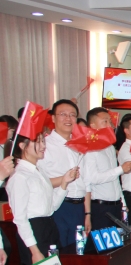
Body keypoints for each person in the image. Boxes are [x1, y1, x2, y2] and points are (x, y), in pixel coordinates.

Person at [7, 133, 78, 265]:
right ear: (22, 146)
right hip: (34, 232)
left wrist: (64, 182)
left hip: (49, 227)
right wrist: (34, 251)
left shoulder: (39, 172)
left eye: (43, 141)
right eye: (38, 142)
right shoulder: (19, 176)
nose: (43, 146)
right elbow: (20, 219)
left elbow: (52, 207)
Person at [37, 99, 90, 247]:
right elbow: (40, 182)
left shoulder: (79, 145)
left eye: (72, 115)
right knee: (60, 251)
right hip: (58, 207)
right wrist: (65, 179)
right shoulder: (44, 146)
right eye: (63, 114)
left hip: (79, 208)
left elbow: (86, 182)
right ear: (53, 118)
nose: (68, 118)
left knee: (78, 252)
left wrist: (87, 213)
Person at [83, 108, 131, 230]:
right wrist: (120, 169)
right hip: (101, 207)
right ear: (93, 126)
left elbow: (115, 180)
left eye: (110, 121)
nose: (110, 125)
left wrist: (123, 203)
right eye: (105, 121)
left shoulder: (110, 147)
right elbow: (93, 178)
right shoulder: (89, 148)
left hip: (116, 205)